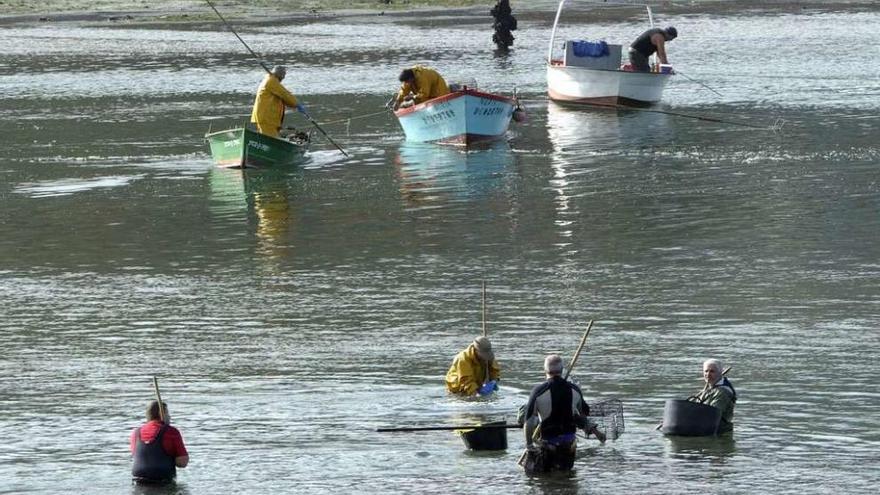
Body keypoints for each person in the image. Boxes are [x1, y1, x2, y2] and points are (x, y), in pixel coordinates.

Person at [520, 354, 605, 473]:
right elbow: (583, 415)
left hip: (548, 446)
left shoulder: (538, 391)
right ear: (562, 370)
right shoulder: (575, 390)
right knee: (567, 478)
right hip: (569, 446)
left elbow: (529, 422)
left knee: (539, 480)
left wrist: (529, 446)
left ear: (545, 370)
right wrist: (595, 431)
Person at [130, 400, 189, 484]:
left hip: (138, 482)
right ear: (162, 414)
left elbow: (136, 455)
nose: (170, 416)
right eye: (168, 413)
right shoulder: (171, 431)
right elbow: (182, 462)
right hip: (162, 482)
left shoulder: (135, 433)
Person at [250, 65, 308, 138]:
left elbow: (283, 97)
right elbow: (285, 94)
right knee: (271, 139)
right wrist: (297, 104)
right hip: (266, 118)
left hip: (269, 118)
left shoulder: (271, 81)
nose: (283, 78)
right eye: (283, 75)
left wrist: (294, 105)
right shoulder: (271, 81)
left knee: (271, 138)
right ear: (280, 75)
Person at [688, 358, 737, 433]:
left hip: (718, 432)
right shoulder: (710, 388)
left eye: (712, 371)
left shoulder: (723, 392)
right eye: (706, 371)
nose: (708, 374)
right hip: (704, 427)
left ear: (720, 373)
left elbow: (712, 413)